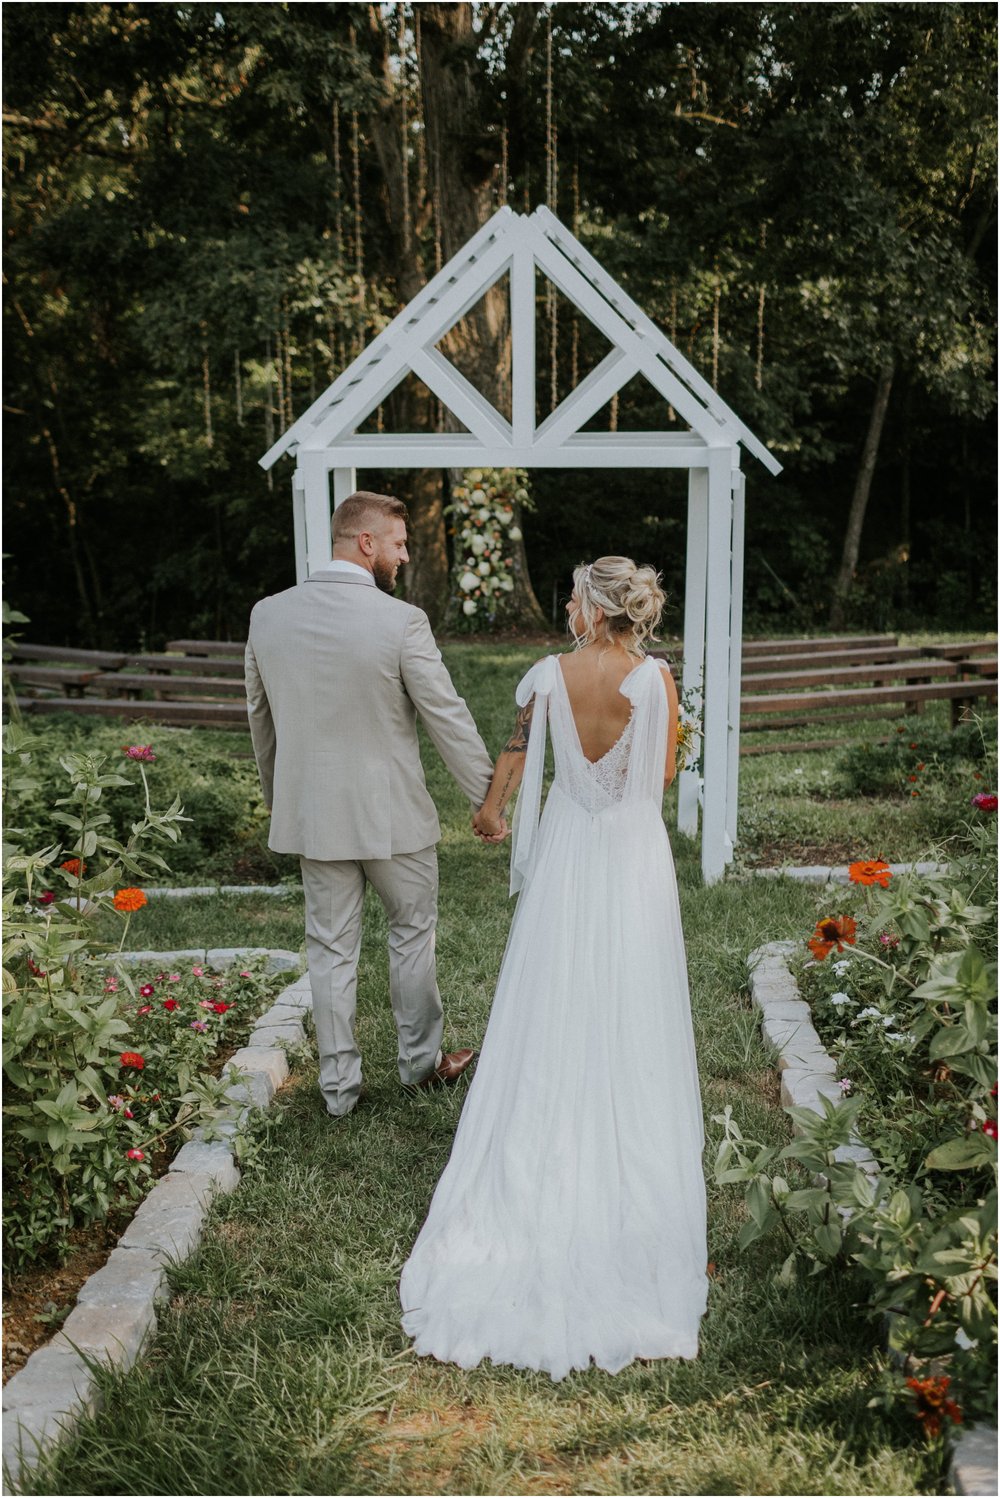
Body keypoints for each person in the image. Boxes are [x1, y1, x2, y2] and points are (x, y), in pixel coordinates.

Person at [400, 556, 709, 1380]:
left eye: (572, 597)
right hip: (632, 853)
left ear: (593, 608)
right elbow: (666, 775)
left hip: (571, 848)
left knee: (551, 987)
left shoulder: (545, 676)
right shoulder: (655, 682)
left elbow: (513, 757)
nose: (565, 607)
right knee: (631, 990)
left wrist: (492, 812)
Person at [245, 490, 496, 1118]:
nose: (405, 556)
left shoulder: (267, 616)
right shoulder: (399, 621)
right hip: (395, 819)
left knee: (329, 948)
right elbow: (447, 716)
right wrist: (487, 797)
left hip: (314, 817)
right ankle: (419, 1065)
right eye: (399, 543)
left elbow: (261, 721)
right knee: (411, 935)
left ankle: (338, 1091)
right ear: (366, 543)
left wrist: (283, 803)